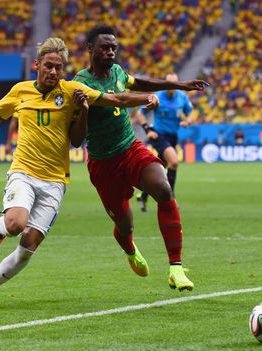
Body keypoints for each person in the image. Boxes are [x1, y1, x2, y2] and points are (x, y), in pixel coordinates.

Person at [0, 37, 160, 310]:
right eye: (49, 66)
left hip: (54, 181)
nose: (54, 72)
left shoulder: (74, 90)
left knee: (28, 248)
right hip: (24, 172)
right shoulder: (20, 91)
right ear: (37, 65)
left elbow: (110, 105)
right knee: (16, 224)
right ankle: (1, 228)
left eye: (59, 67)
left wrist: (94, 108)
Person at [73, 25, 208, 291]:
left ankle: (176, 268)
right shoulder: (81, 83)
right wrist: (145, 98)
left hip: (130, 148)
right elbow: (117, 99)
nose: (111, 52)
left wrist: (178, 85)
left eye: (114, 47)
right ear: (90, 49)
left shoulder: (118, 72)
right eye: (105, 47)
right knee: (124, 224)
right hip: (103, 163)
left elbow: (141, 82)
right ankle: (131, 249)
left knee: (163, 189)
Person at [135, 72, 193, 212]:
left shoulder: (182, 98)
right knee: (174, 162)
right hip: (159, 136)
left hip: (173, 137)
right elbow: (140, 113)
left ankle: (143, 196)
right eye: (168, 84)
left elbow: (190, 112)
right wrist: (148, 130)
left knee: (159, 171)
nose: (171, 87)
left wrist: (188, 121)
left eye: (174, 84)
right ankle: (170, 198)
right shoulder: (158, 97)